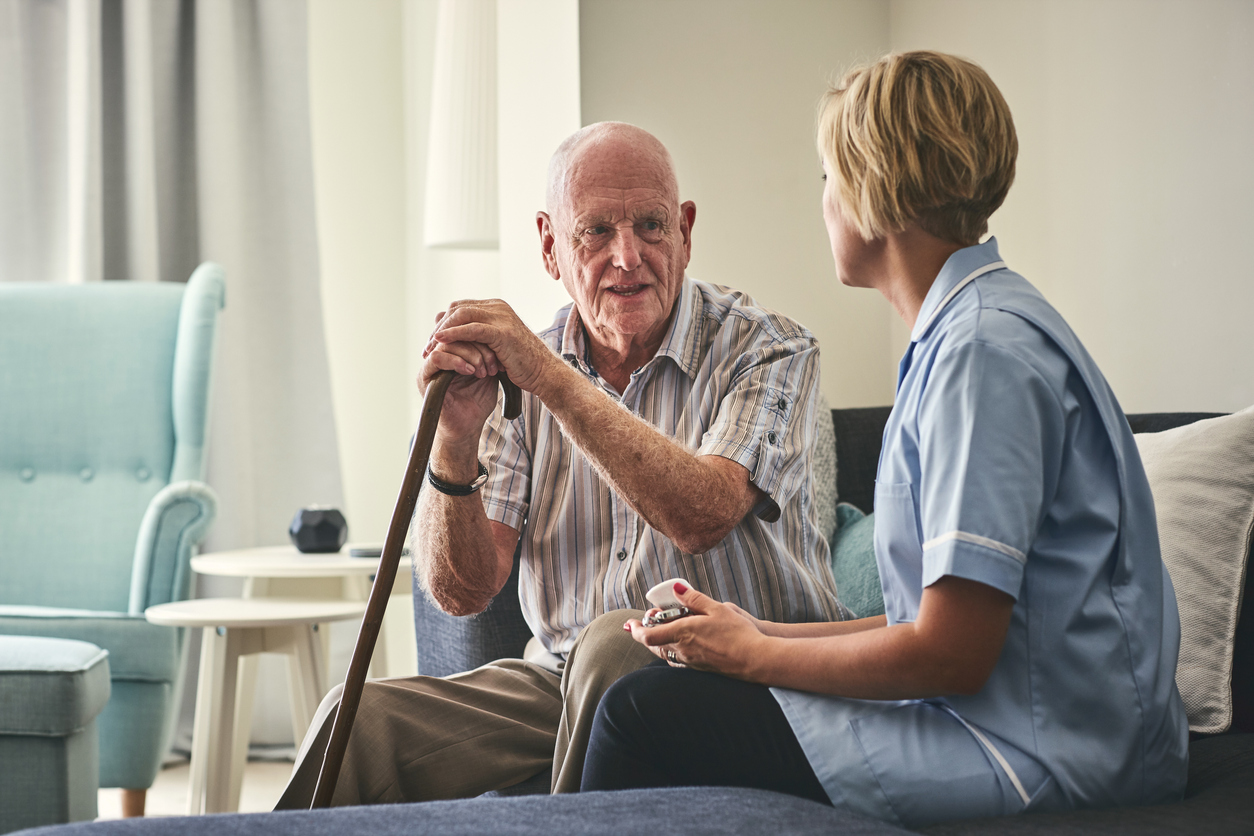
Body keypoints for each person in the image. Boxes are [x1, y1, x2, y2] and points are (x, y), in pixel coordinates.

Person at [580, 51, 1189, 829]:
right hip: (1026, 722)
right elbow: (930, 618)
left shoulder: (981, 358)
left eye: (829, 176)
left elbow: (951, 654)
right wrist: (755, 630)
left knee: (644, 714)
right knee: (670, 696)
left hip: (1040, 750)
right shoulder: (973, 330)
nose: (824, 200)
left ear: (875, 191)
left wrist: (753, 657)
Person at [274, 121, 848, 808]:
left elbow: (704, 514)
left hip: (744, 680)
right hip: (559, 681)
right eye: (596, 232)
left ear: (686, 231)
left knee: (615, 646)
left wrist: (549, 379)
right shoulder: (526, 367)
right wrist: (455, 442)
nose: (627, 256)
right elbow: (464, 591)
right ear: (551, 246)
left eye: (650, 225)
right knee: (356, 716)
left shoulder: (770, 350)